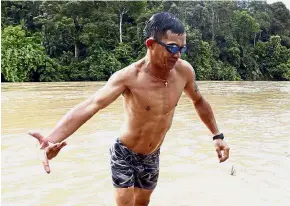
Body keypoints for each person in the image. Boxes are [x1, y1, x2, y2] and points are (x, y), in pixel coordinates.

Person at [29, 12, 230, 206]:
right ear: (151, 44)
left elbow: (199, 101)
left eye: (182, 49)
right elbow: (92, 105)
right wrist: (51, 139)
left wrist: (217, 135)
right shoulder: (129, 77)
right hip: (124, 153)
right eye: (171, 48)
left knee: (142, 203)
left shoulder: (184, 72)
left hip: (152, 154)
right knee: (125, 203)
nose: (177, 55)